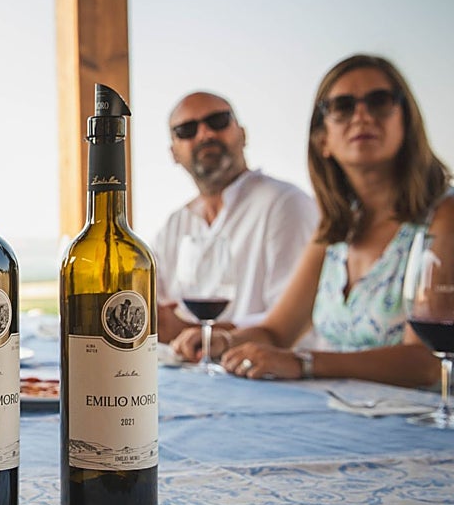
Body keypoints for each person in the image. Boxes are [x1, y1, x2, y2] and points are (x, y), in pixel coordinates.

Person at [172, 55, 448, 388]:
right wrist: (223, 341)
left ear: (406, 121)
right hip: (336, 409)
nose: (362, 116)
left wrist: (304, 363)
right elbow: (278, 331)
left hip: (417, 416)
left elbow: (428, 362)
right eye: (342, 107)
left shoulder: (444, 216)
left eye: (379, 101)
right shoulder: (337, 226)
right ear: (323, 140)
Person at [153, 92, 319, 344]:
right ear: (173, 153)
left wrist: (196, 333)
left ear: (243, 134)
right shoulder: (175, 225)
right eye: (187, 130)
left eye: (218, 121)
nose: (205, 134)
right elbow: (153, 305)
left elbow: (299, 320)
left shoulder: (285, 204)